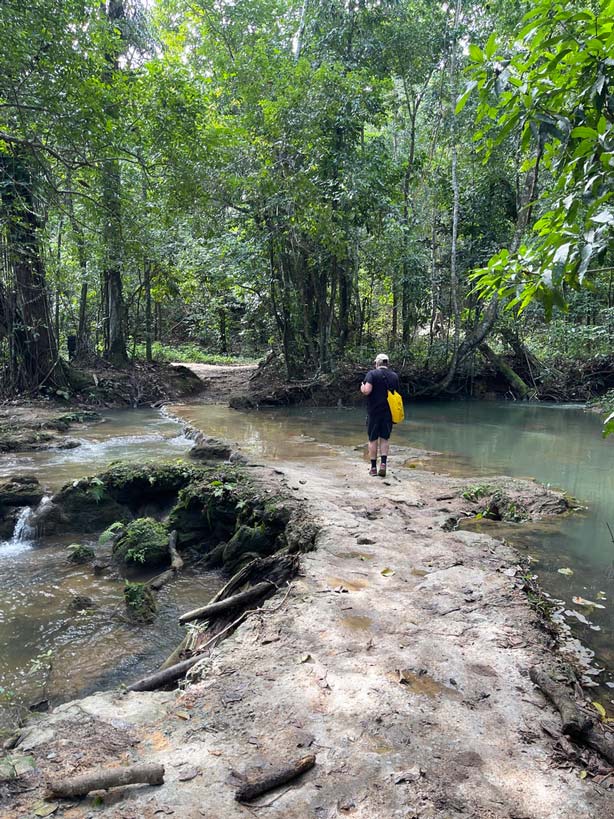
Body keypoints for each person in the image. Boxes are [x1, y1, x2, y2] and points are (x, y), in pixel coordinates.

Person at [360, 353, 400, 477]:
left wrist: (362, 386)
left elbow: (367, 391)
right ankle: (383, 464)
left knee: (372, 439)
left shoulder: (372, 374)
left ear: (377, 363)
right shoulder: (394, 376)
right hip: (389, 413)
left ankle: (373, 468)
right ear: (387, 363)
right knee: (384, 438)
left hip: (374, 412)